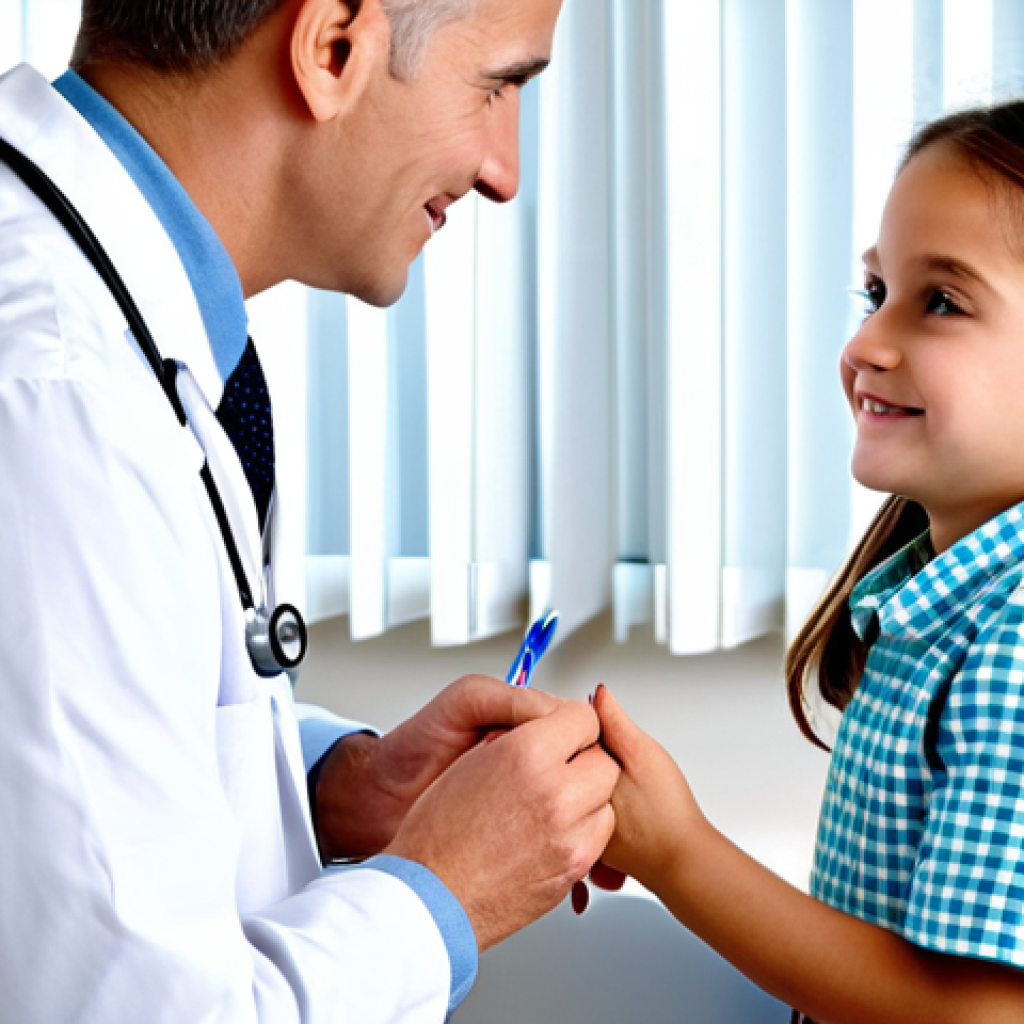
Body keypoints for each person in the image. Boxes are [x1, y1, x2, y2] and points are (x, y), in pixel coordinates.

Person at [0, 0, 620, 1020]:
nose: (504, 172)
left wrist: (337, 778)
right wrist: (447, 893)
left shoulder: (128, 333)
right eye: (497, 86)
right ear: (332, 48)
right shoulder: (56, 398)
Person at [590, 101, 1024, 1023]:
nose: (864, 344)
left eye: (942, 301)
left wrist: (677, 852)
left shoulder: (1016, 645)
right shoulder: (950, 605)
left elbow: (977, 1015)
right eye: (876, 292)